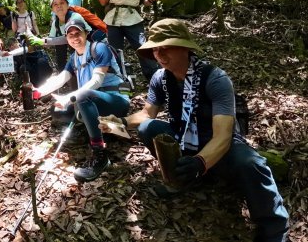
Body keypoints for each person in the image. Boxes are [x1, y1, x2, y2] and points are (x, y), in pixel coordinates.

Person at [101, 19, 289, 241]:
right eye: (155, 49)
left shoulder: (215, 79)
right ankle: (183, 179)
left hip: (218, 145)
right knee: (147, 128)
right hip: (183, 138)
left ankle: (274, 229)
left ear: (185, 47)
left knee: (251, 163)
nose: (159, 54)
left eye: (165, 47)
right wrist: (121, 122)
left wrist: (200, 162)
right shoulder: (160, 78)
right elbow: (147, 113)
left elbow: (223, 135)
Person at [34, 18, 130, 182]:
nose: (74, 37)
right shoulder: (74, 58)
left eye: (78, 33)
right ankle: (93, 128)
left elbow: (97, 81)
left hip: (115, 100)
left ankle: (100, 154)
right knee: (57, 112)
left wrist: (71, 98)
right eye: (70, 35)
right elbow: (61, 78)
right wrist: (37, 92)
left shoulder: (99, 48)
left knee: (82, 97)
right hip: (93, 99)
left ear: (86, 33)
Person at [94, 0, 159, 81]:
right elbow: (103, 1)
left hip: (134, 19)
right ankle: (120, 79)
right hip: (113, 21)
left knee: (143, 48)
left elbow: (144, 1)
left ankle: (154, 78)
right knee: (115, 51)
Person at [27, 0, 92, 72]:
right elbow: (51, 40)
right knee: (59, 47)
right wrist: (36, 40)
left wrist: (43, 41)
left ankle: (79, 70)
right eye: (55, 4)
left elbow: (68, 38)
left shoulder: (75, 17)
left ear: (68, 5)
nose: (59, 6)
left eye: (62, 3)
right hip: (75, 47)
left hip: (88, 48)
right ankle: (63, 72)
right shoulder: (55, 23)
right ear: (52, 9)